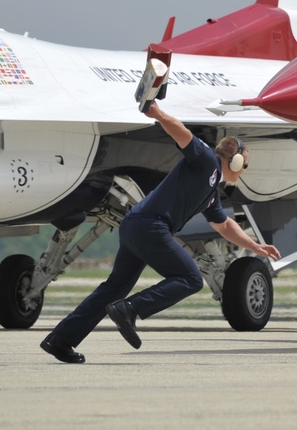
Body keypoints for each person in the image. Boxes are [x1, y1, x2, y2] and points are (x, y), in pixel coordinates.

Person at [40, 102, 281, 364]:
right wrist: (156, 113)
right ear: (235, 160)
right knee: (190, 278)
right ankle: (130, 309)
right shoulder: (207, 161)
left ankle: (60, 340)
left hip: (135, 225)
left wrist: (255, 247)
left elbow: (224, 225)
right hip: (150, 226)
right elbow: (182, 134)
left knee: (114, 288)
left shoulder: (210, 192)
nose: (244, 170)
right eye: (245, 165)